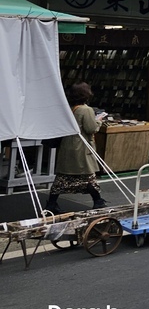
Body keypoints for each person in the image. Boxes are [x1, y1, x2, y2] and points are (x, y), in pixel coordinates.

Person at [46, 82, 104, 214]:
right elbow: (91, 128)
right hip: (81, 148)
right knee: (89, 177)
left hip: (67, 146)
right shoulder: (86, 110)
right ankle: (98, 201)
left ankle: (51, 203)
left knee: (62, 178)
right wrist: (99, 121)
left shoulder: (69, 108)